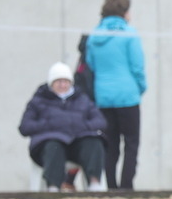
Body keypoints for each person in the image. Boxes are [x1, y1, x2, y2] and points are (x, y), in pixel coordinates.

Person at [85, 0, 147, 190]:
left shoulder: (94, 36)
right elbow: (137, 66)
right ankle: (127, 187)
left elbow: (90, 65)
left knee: (110, 146)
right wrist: (140, 88)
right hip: (127, 96)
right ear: (124, 12)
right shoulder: (129, 33)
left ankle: (110, 187)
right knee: (131, 144)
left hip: (104, 97)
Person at [18, 62, 107, 192]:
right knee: (54, 145)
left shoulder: (82, 98)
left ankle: (95, 184)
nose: (62, 85)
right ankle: (53, 187)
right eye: (58, 81)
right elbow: (25, 127)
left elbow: (101, 121)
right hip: (50, 145)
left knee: (94, 142)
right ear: (51, 83)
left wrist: (83, 126)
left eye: (66, 81)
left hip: (77, 142)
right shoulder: (38, 100)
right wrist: (48, 125)